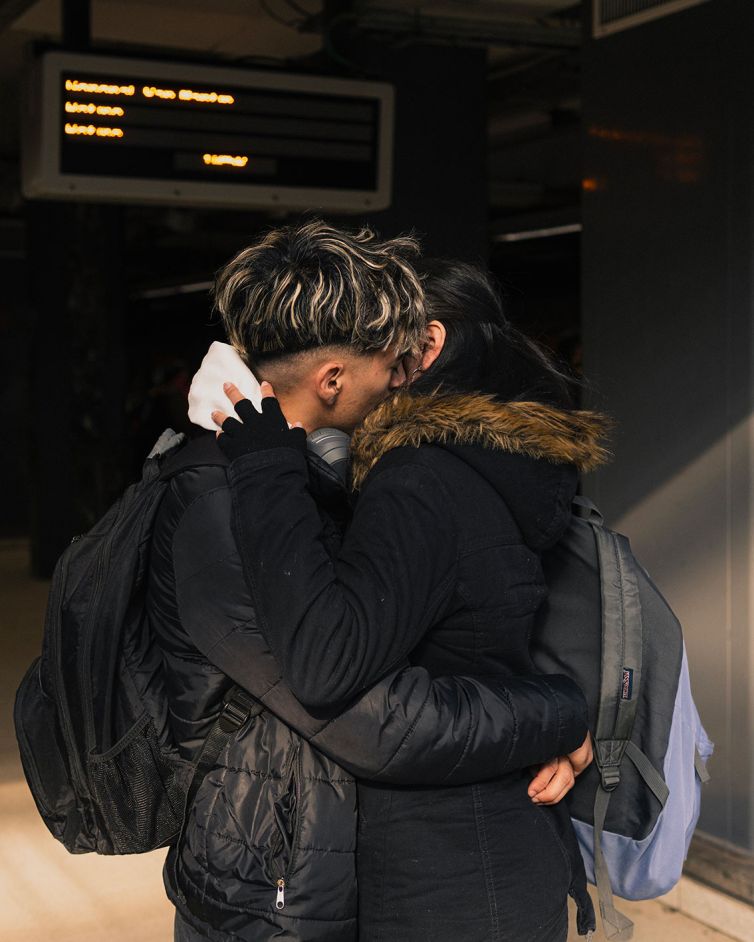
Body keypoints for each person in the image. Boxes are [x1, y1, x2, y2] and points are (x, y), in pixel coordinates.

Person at [148, 222, 594, 942]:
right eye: (389, 361)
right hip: (272, 880)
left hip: (426, 868)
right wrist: (560, 711)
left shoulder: (360, 476)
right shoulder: (227, 496)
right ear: (332, 378)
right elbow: (373, 718)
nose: (399, 377)